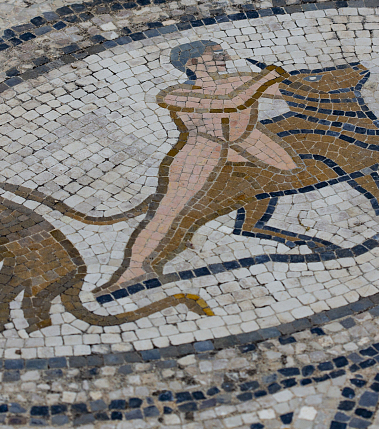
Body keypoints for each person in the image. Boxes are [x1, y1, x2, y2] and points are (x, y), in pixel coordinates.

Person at [100, 40, 299, 292]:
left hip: (250, 143)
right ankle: (135, 268)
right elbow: (230, 103)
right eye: (216, 53)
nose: (224, 56)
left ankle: (255, 223)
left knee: (298, 167)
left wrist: (299, 84)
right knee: (168, 210)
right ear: (191, 62)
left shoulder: (238, 80)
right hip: (201, 153)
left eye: (222, 52)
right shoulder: (175, 95)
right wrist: (263, 79)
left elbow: (296, 93)